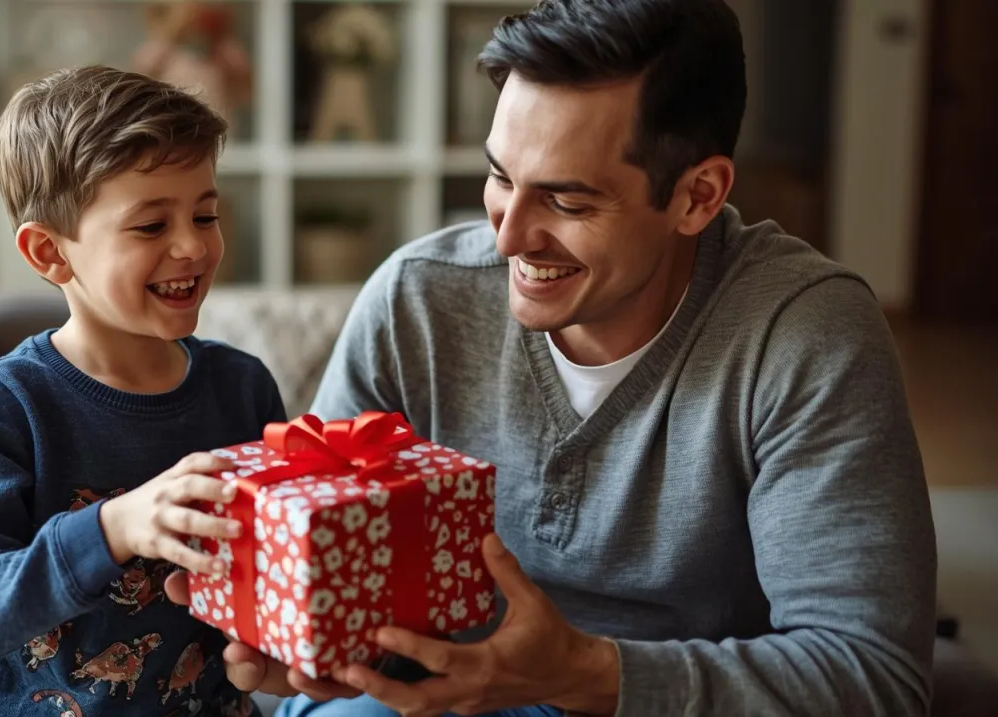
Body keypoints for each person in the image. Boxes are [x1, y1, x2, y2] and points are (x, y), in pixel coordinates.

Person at [164, 0, 939, 715]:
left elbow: (872, 675)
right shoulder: (419, 299)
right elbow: (328, 550)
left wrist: (582, 671)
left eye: (568, 202)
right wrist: (307, 636)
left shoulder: (803, 334)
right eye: (500, 177)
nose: (507, 238)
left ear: (698, 196)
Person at [0, 66, 286, 717]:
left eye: (205, 214)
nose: (192, 245)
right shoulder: (6, 401)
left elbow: (268, 590)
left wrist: (271, 655)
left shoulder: (243, 387)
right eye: (151, 227)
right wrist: (115, 524)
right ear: (49, 253)